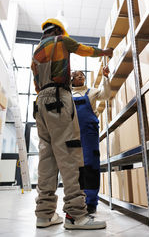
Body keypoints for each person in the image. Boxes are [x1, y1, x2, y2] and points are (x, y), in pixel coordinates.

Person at [31, 18, 113, 230]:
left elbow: (35, 82)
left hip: (40, 104)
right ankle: (75, 215)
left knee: (47, 159)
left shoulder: (36, 51)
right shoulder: (62, 40)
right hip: (59, 99)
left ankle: (45, 215)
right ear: (59, 30)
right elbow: (85, 50)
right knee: (70, 156)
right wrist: (104, 52)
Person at [71, 66, 111, 214]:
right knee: (74, 168)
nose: (80, 76)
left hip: (89, 133)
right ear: (71, 79)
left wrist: (106, 78)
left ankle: (91, 202)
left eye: (82, 74)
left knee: (91, 165)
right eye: (76, 74)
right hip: (71, 133)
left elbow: (106, 95)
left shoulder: (92, 91)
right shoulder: (67, 94)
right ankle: (75, 200)